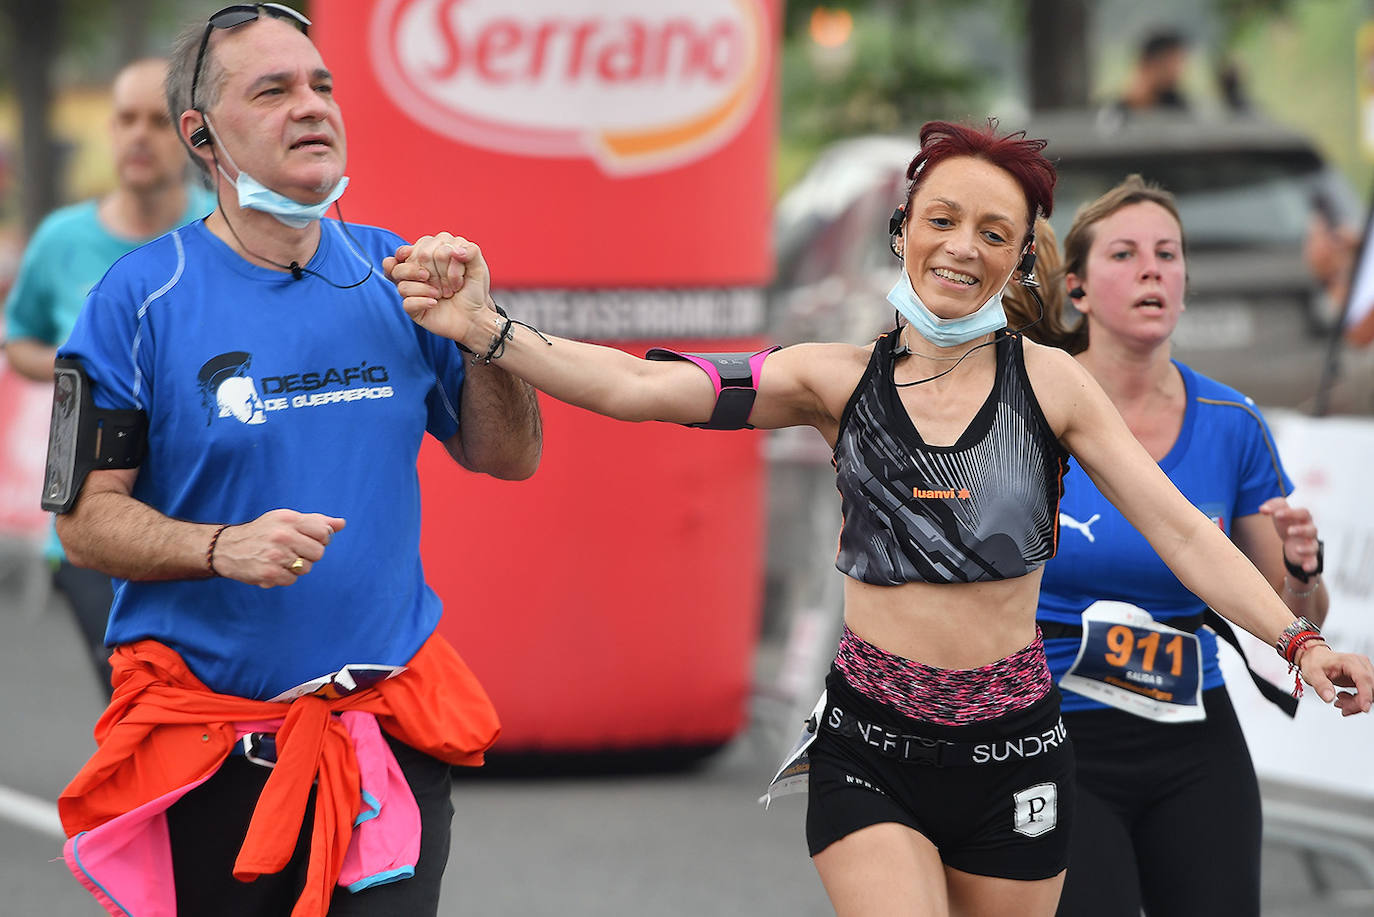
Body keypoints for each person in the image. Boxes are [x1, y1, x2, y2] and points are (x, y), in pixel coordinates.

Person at [386, 121, 1374, 916]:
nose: (963, 247)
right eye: (943, 219)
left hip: (1018, 750)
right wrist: (491, 330)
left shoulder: (1054, 385)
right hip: (874, 747)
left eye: (995, 232)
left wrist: (1294, 637)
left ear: (1022, 257)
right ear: (904, 231)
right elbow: (642, 387)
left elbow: (1183, 529)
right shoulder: (830, 377)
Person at [51, 6, 541, 917]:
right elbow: (81, 521)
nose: (310, 107)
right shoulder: (134, 300)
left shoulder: (400, 273)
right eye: (271, 90)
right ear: (201, 134)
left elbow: (508, 458)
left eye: (320, 85)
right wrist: (219, 546)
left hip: (384, 734)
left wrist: (485, 333)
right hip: (212, 747)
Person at [1022, 175, 1330, 917]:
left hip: (1192, 732)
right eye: (1125, 254)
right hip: (1058, 728)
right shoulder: (1029, 409)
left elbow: (1289, 605)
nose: (1152, 269)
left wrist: (1301, 568)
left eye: (1168, 253)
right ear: (1079, 290)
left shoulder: (1232, 422)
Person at [2, 57, 214, 696]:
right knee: (135, 694)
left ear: (190, 134)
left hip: (202, 512)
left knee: (204, 703)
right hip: (89, 521)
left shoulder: (224, 231)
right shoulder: (63, 238)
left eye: (156, 120)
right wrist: (81, 365)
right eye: (125, 119)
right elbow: (19, 342)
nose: (139, 136)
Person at [1113, 29, 1192, 115]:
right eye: (1171, 64)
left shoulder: (1177, 106)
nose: (1178, 71)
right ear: (1148, 63)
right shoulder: (1116, 110)